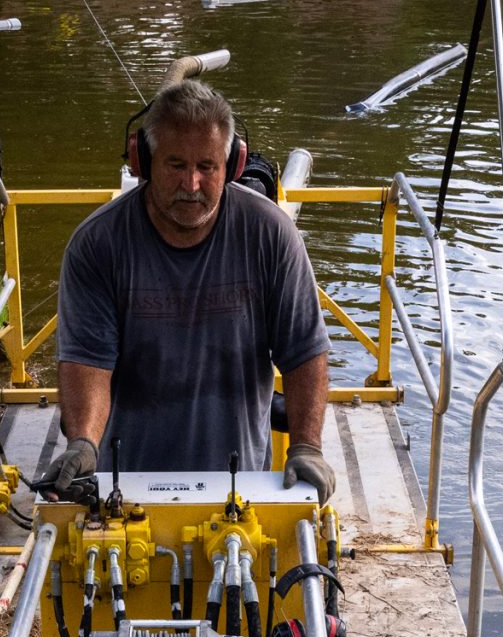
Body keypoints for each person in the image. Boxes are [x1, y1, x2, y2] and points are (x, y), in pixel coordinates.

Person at [45, 80, 333, 500]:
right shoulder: (97, 245)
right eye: (176, 165)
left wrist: (307, 445)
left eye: (207, 167)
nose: (192, 184)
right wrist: (83, 444)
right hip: (127, 489)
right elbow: (89, 362)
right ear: (142, 160)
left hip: (241, 487)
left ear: (233, 164)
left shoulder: (272, 234)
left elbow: (305, 350)